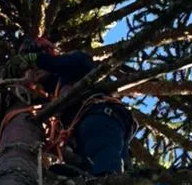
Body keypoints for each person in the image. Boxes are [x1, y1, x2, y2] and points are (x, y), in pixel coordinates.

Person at [13, 36, 133, 176]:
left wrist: (37, 59)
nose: (34, 73)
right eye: (31, 71)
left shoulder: (75, 64)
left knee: (103, 156)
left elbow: (75, 62)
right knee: (78, 171)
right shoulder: (55, 90)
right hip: (87, 131)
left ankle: (109, 184)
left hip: (99, 116)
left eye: (37, 68)